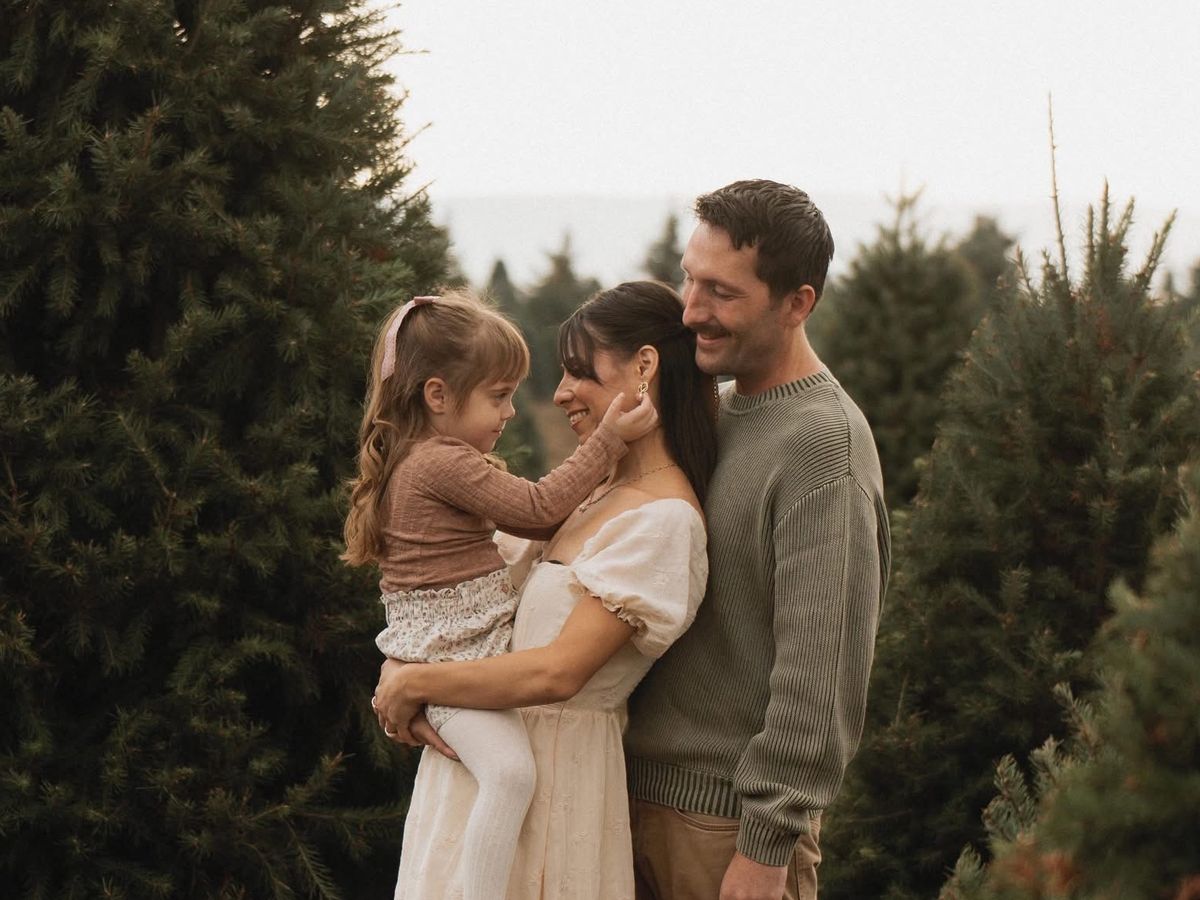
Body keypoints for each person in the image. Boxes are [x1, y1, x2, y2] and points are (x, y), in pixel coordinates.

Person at [373, 281, 719, 899]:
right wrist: (403, 664)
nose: (558, 393)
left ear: (644, 367)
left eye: (579, 371)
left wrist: (414, 682)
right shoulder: (590, 497)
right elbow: (458, 604)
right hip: (474, 780)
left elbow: (558, 672)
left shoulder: (662, 522)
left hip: (555, 793)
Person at [624, 180, 891, 900]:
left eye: (721, 292)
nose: (691, 310)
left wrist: (766, 846)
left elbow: (821, 671)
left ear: (797, 303)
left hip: (725, 836)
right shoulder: (716, 410)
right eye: (689, 278)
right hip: (628, 802)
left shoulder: (823, 448)